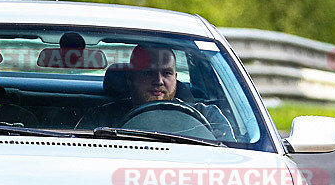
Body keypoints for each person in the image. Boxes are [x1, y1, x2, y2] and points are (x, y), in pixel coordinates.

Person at [76, 45, 235, 140]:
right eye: (148, 73)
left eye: (166, 73)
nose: (159, 81)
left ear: (175, 78)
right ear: (131, 78)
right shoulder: (100, 118)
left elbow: (228, 157)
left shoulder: (209, 117)